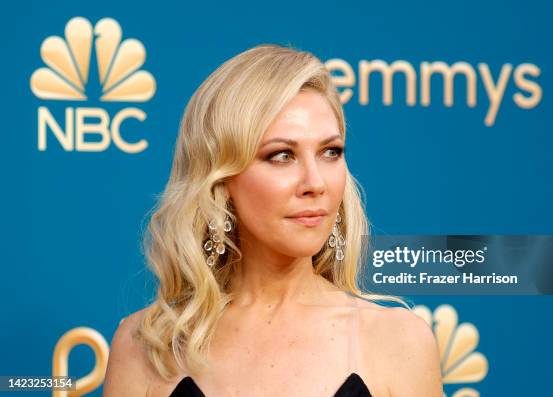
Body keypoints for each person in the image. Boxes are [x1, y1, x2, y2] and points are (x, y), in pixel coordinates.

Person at [102, 44, 443, 397]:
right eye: (282, 155)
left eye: (331, 152)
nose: (315, 183)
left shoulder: (398, 342)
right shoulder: (146, 345)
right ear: (221, 180)